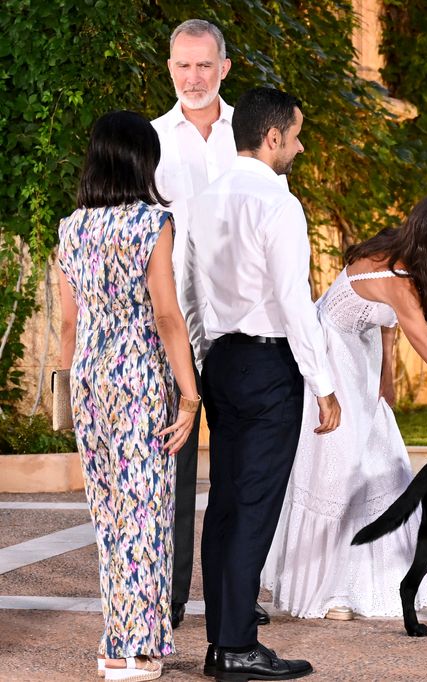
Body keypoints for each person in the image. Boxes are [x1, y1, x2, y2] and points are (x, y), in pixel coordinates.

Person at [262, 194, 427, 620]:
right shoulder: (398, 280)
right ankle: (333, 591)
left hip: (361, 352)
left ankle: (377, 582)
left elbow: (383, 322)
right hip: (332, 356)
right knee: (340, 469)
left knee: (383, 460)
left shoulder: (404, 250)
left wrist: (385, 375)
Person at [183, 87, 340, 681]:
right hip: (269, 364)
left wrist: (205, 357)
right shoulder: (279, 202)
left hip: (220, 360)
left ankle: (223, 641)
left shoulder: (206, 198)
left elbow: (190, 291)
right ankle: (236, 647)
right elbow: (292, 300)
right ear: (272, 137)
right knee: (252, 509)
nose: (298, 147)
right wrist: (321, 381)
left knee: (224, 503)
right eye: (296, 136)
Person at [57, 110, 200, 681]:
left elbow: (67, 327)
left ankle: (113, 641)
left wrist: (66, 400)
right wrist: (190, 397)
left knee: (110, 515)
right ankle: (138, 650)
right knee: (145, 512)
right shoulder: (151, 221)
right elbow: (167, 315)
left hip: (90, 380)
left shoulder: (72, 227)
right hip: (139, 377)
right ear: (144, 160)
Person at [150, 18, 251, 630]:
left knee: (243, 473)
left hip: (243, 324)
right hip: (176, 326)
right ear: (170, 69)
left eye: (204, 65)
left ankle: (236, 595)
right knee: (174, 472)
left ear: (224, 67)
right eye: (183, 66)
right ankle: (166, 596)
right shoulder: (152, 142)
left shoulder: (251, 132)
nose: (193, 77)